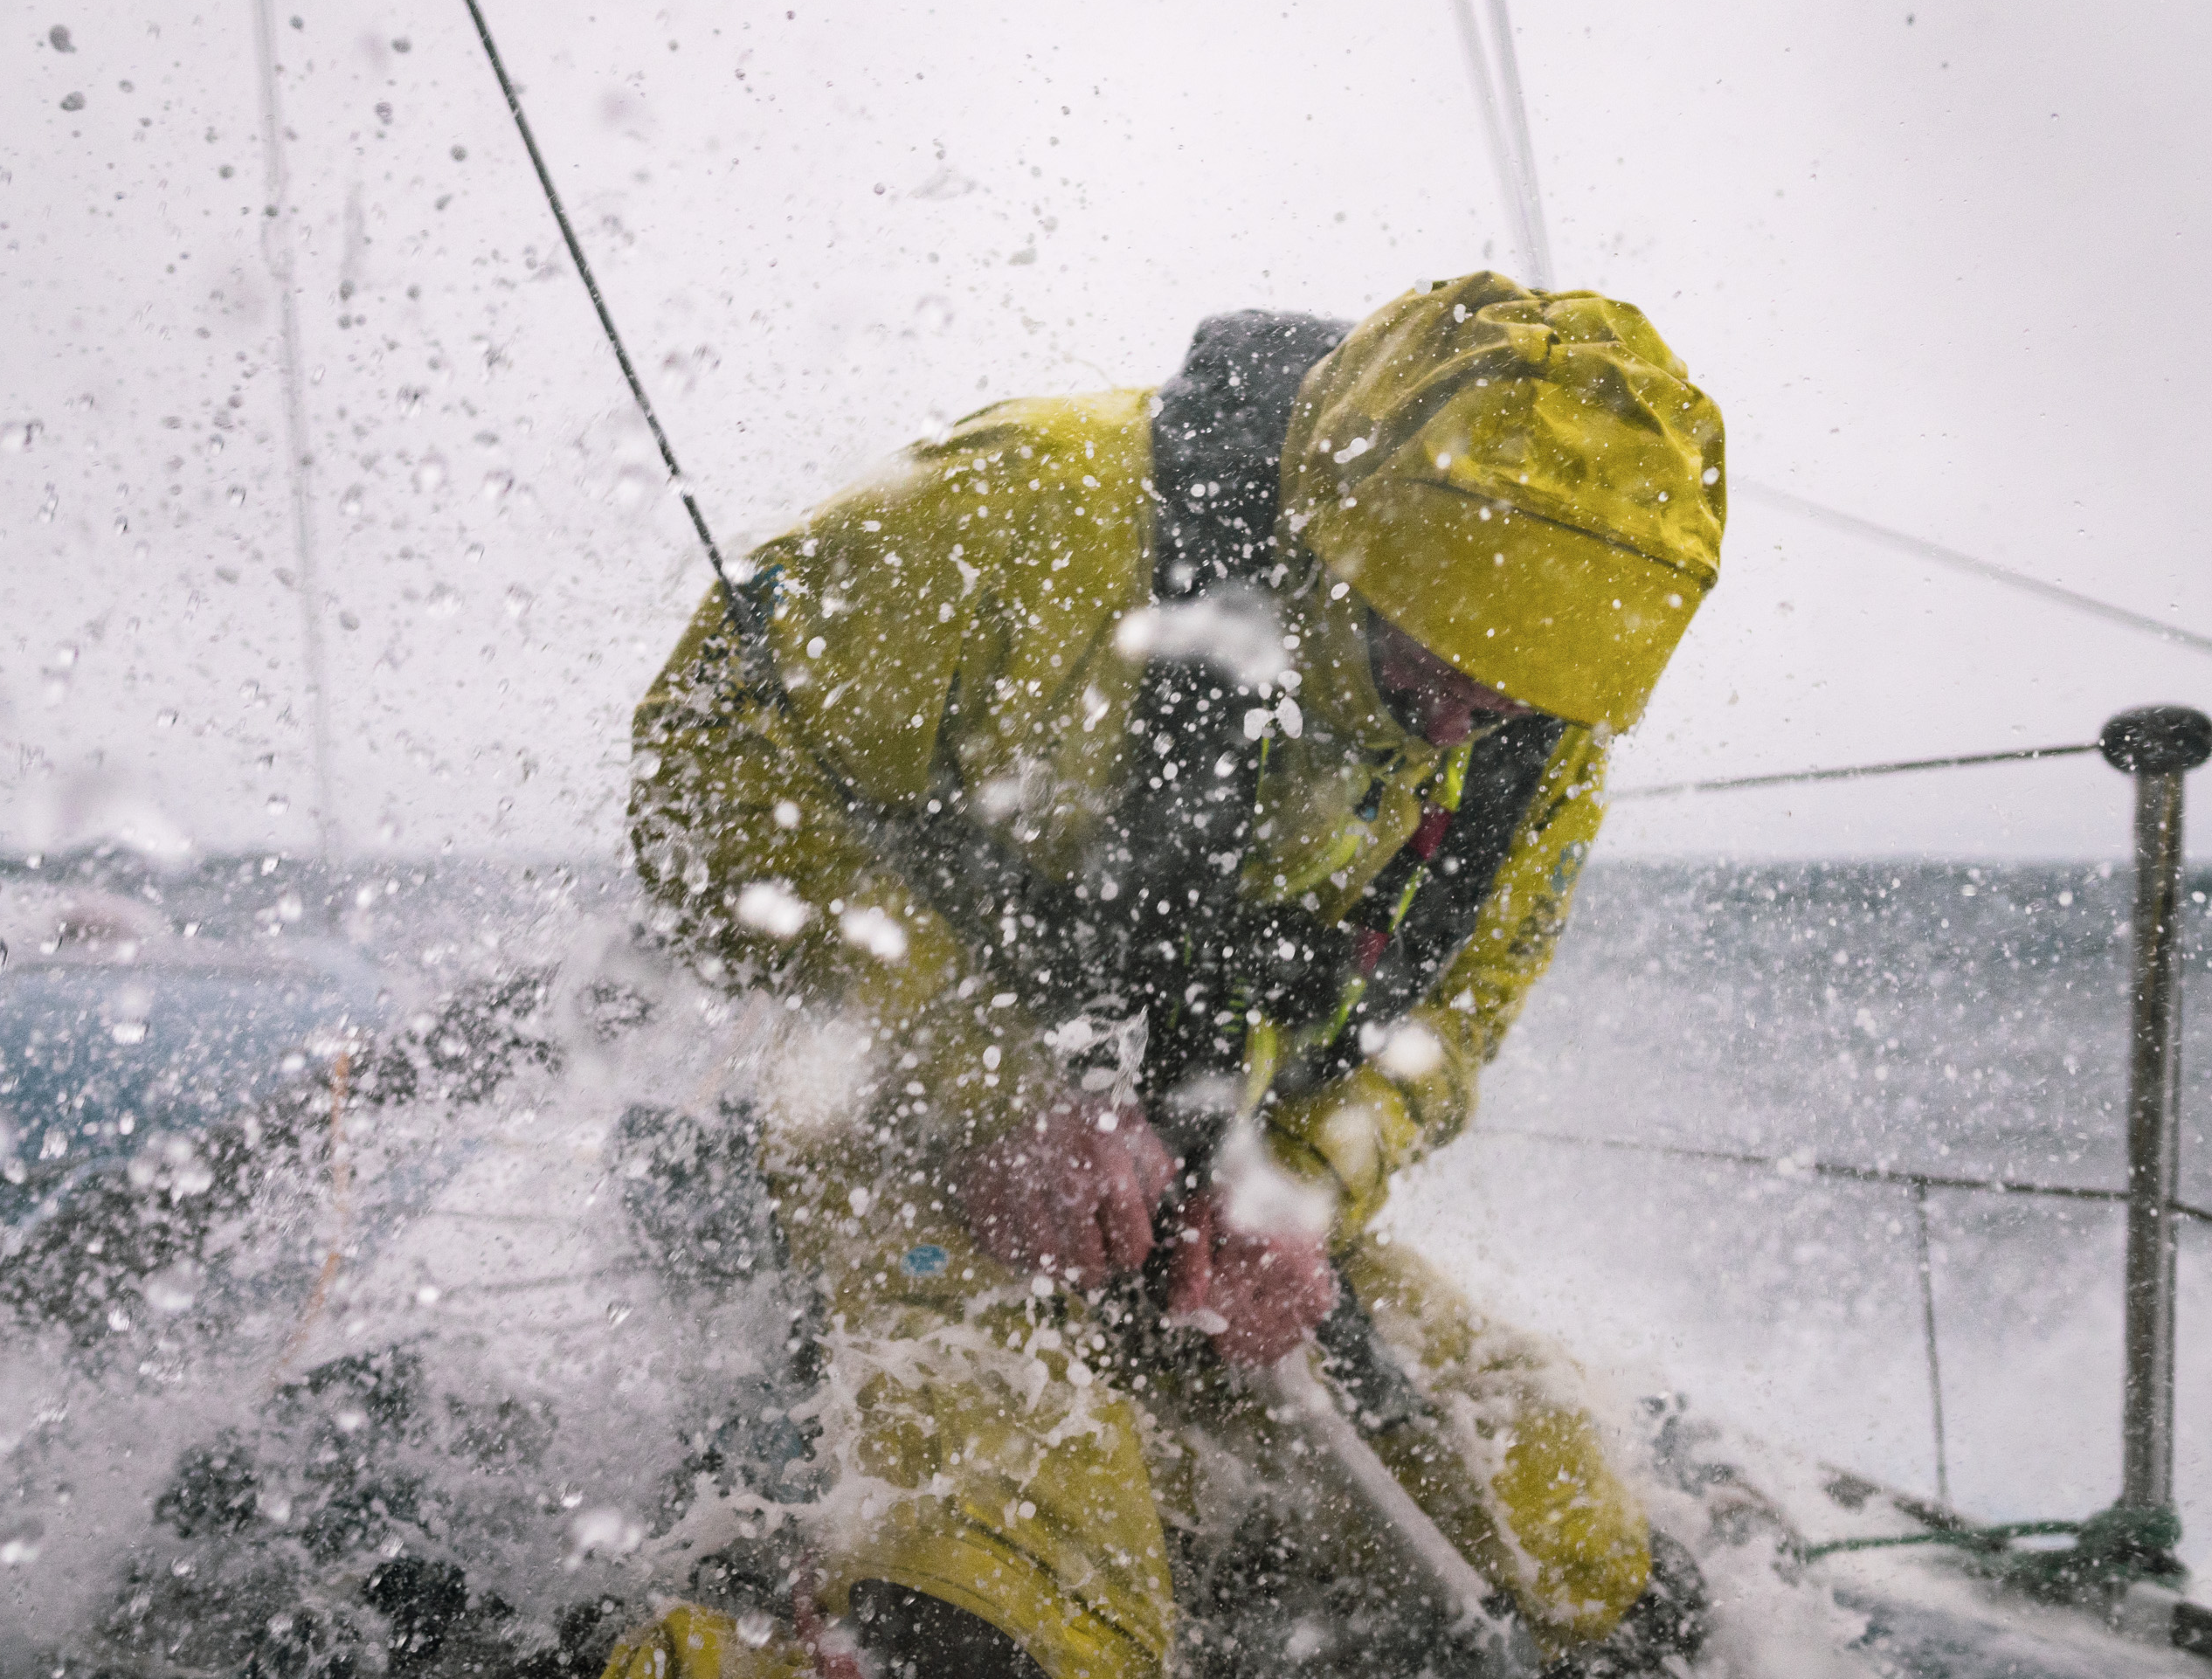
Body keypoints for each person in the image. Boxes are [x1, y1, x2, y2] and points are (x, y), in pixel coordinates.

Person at [617, 271, 1725, 1679]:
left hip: (1216, 1185)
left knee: (1581, 1559)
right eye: (1431, 657)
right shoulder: (1028, 510)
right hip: (912, 1135)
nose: (1466, 718)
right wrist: (995, 1087)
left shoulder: (1527, 706)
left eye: (1514, 693)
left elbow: (1453, 1020)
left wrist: (1302, 1193)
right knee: (1015, 1615)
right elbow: (706, 768)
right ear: (1346, 531)